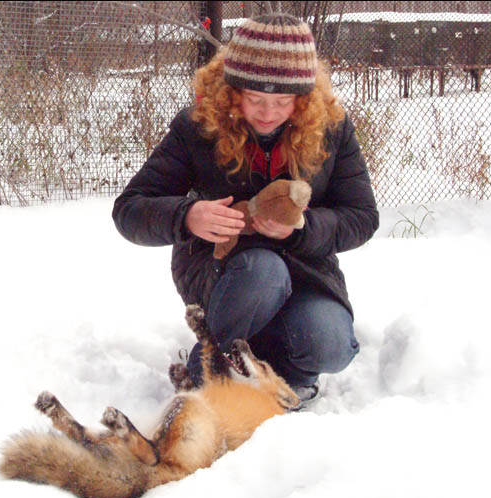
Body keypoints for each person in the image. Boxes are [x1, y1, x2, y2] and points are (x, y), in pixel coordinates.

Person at [112, 13, 379, 404]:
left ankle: (285, 377)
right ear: (230, 89)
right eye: (254, 99)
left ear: (304, 99)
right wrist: (188, 216)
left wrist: (302, 230)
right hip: (224, 270)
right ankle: (204, 376)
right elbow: (130, 210)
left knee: (332, 346)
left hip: (307, 269)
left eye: (282, 101)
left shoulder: (333, 129)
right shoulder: (197, 127)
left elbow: (362, 216)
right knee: (262, 272)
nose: (268, 113)